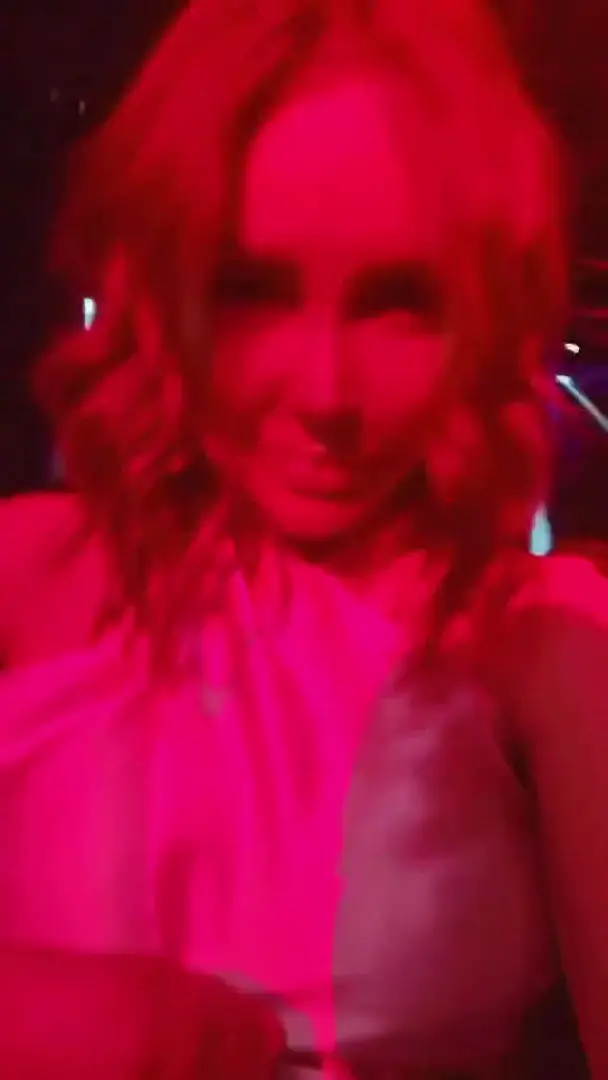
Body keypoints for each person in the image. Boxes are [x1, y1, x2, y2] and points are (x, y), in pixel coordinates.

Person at [1, 0, 607, 1076]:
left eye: (399, 301)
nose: (324, 393)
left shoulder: (541, 641)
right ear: (159, 281)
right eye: (251, 290)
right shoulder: (22, 577)